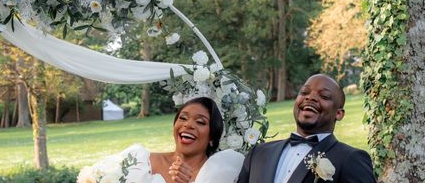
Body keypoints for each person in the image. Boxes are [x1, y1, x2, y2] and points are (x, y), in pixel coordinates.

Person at [236, 74, 376, 183]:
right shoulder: (258, 153)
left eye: (324, 96)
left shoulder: (351, 159)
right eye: (304, 92)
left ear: (339, 113)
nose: (310, 98)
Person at [78, 97, 244, 183]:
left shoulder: (215, 174)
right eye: (183, 118)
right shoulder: (139, 159)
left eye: (200, 122)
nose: (188, 125)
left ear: (212, 138)